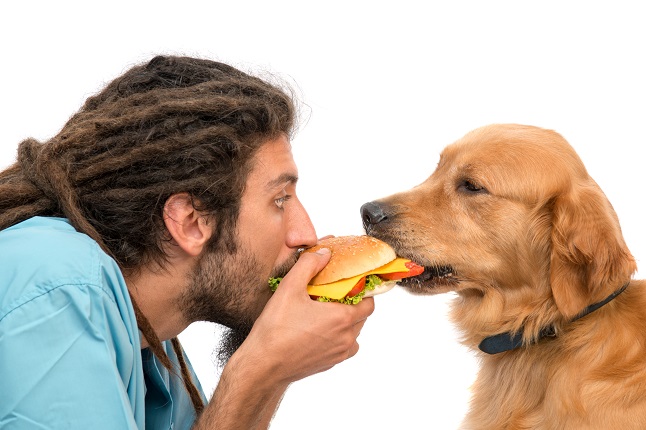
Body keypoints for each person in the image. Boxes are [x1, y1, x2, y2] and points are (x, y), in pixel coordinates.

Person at [0, 55, 375, 429]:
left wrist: (272, 372)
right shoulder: (56, 285)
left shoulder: (153, 344)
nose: (305, 235)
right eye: (279, 200)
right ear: (192, 222)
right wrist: (257, 372)